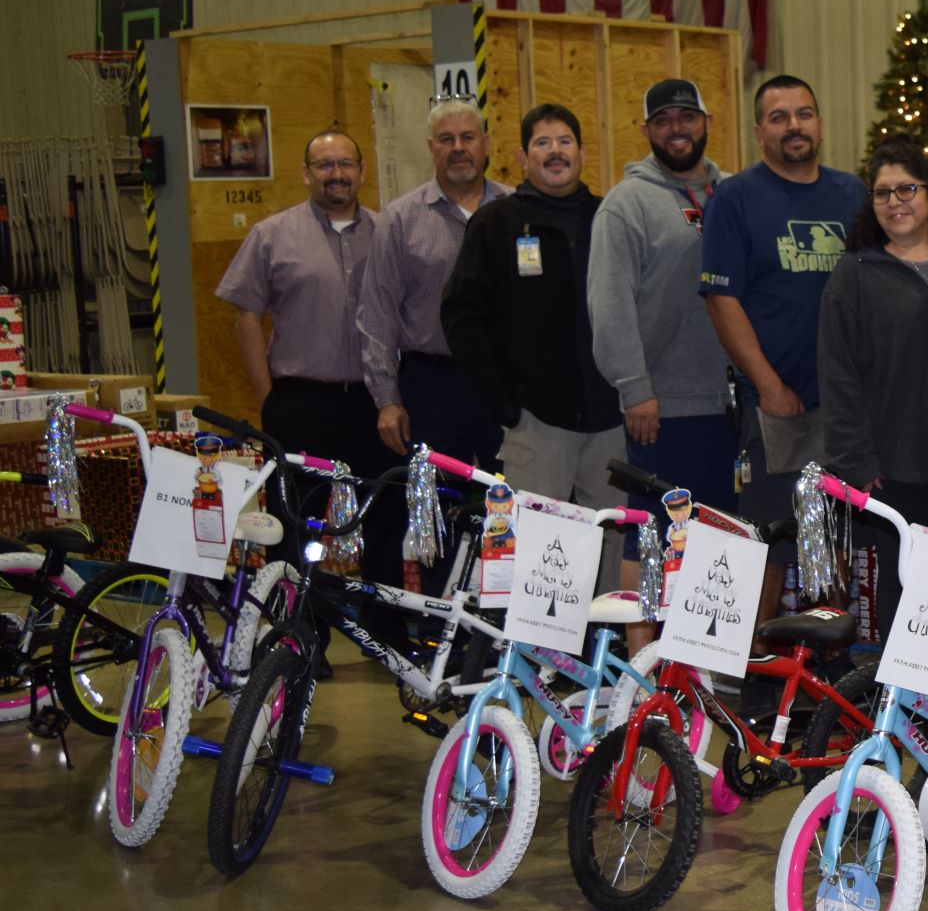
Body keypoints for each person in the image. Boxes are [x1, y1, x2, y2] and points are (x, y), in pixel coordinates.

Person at [217, 129, 403, 625]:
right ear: (306, 173)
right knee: (295, 521)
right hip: (301, 402)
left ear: (362, 172)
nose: (336, 174)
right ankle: (299, 634)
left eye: (346, 163)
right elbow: (245, 316)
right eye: (325, 165)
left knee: (384, 515)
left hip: (376, 402)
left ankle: (384, 630)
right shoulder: (271, 236)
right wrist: (268, 395)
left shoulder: (389, 233)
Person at [698, 75, 867, 620]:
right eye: (779, 117)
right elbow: (722, 299)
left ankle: (834, 678)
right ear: (758, 131)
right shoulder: (736, 198)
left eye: (804, 113)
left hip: (844, 407)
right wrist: (768, 386)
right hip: (777, 407)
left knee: (835, 539)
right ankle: (750, 675)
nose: (794, 125)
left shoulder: (853, 194)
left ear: (819, 123)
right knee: (768, 543)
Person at [441, 103, 625, 582]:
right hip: (536, 424)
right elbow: (462, 316)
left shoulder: (610, 217)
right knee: (538, 560)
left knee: (616, 552)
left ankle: (607, 651)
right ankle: (540, 656)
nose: (555, 152)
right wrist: (502, 402)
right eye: (542, 143)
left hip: (611, 422)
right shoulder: (496, 223)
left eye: (564, 141)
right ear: (522, 157)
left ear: (582, 152)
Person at [588, 78, 731, 639]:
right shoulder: (627, 204)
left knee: (717, 533)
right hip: (660, 403)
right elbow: (609, 303)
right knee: (651, 532)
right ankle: (642, 657)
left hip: (728, 402)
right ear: (647, 130)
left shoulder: (731, 193)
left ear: (706, 123)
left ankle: (699, 652)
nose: (677, 128)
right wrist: (633, 385)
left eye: (687, 117)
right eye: (664, 119)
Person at [817, 134, 928, 632]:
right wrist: (855, 461)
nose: (895, 202)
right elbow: (837, 373)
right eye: (883, 193)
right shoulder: (854, 274)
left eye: (906, 189)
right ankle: (894, 703)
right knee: (899, 577)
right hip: (888, 466)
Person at [357, 98, 511, 474]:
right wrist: (387, 400)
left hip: (506, 380)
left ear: (486, 144)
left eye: (467, 137)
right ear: (431, 148)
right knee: (437, 504)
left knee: (512, 502)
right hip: (433, 385)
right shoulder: (400, 219)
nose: (458, 147)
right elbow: (377, 313)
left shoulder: (516, 209)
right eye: (446, 139)